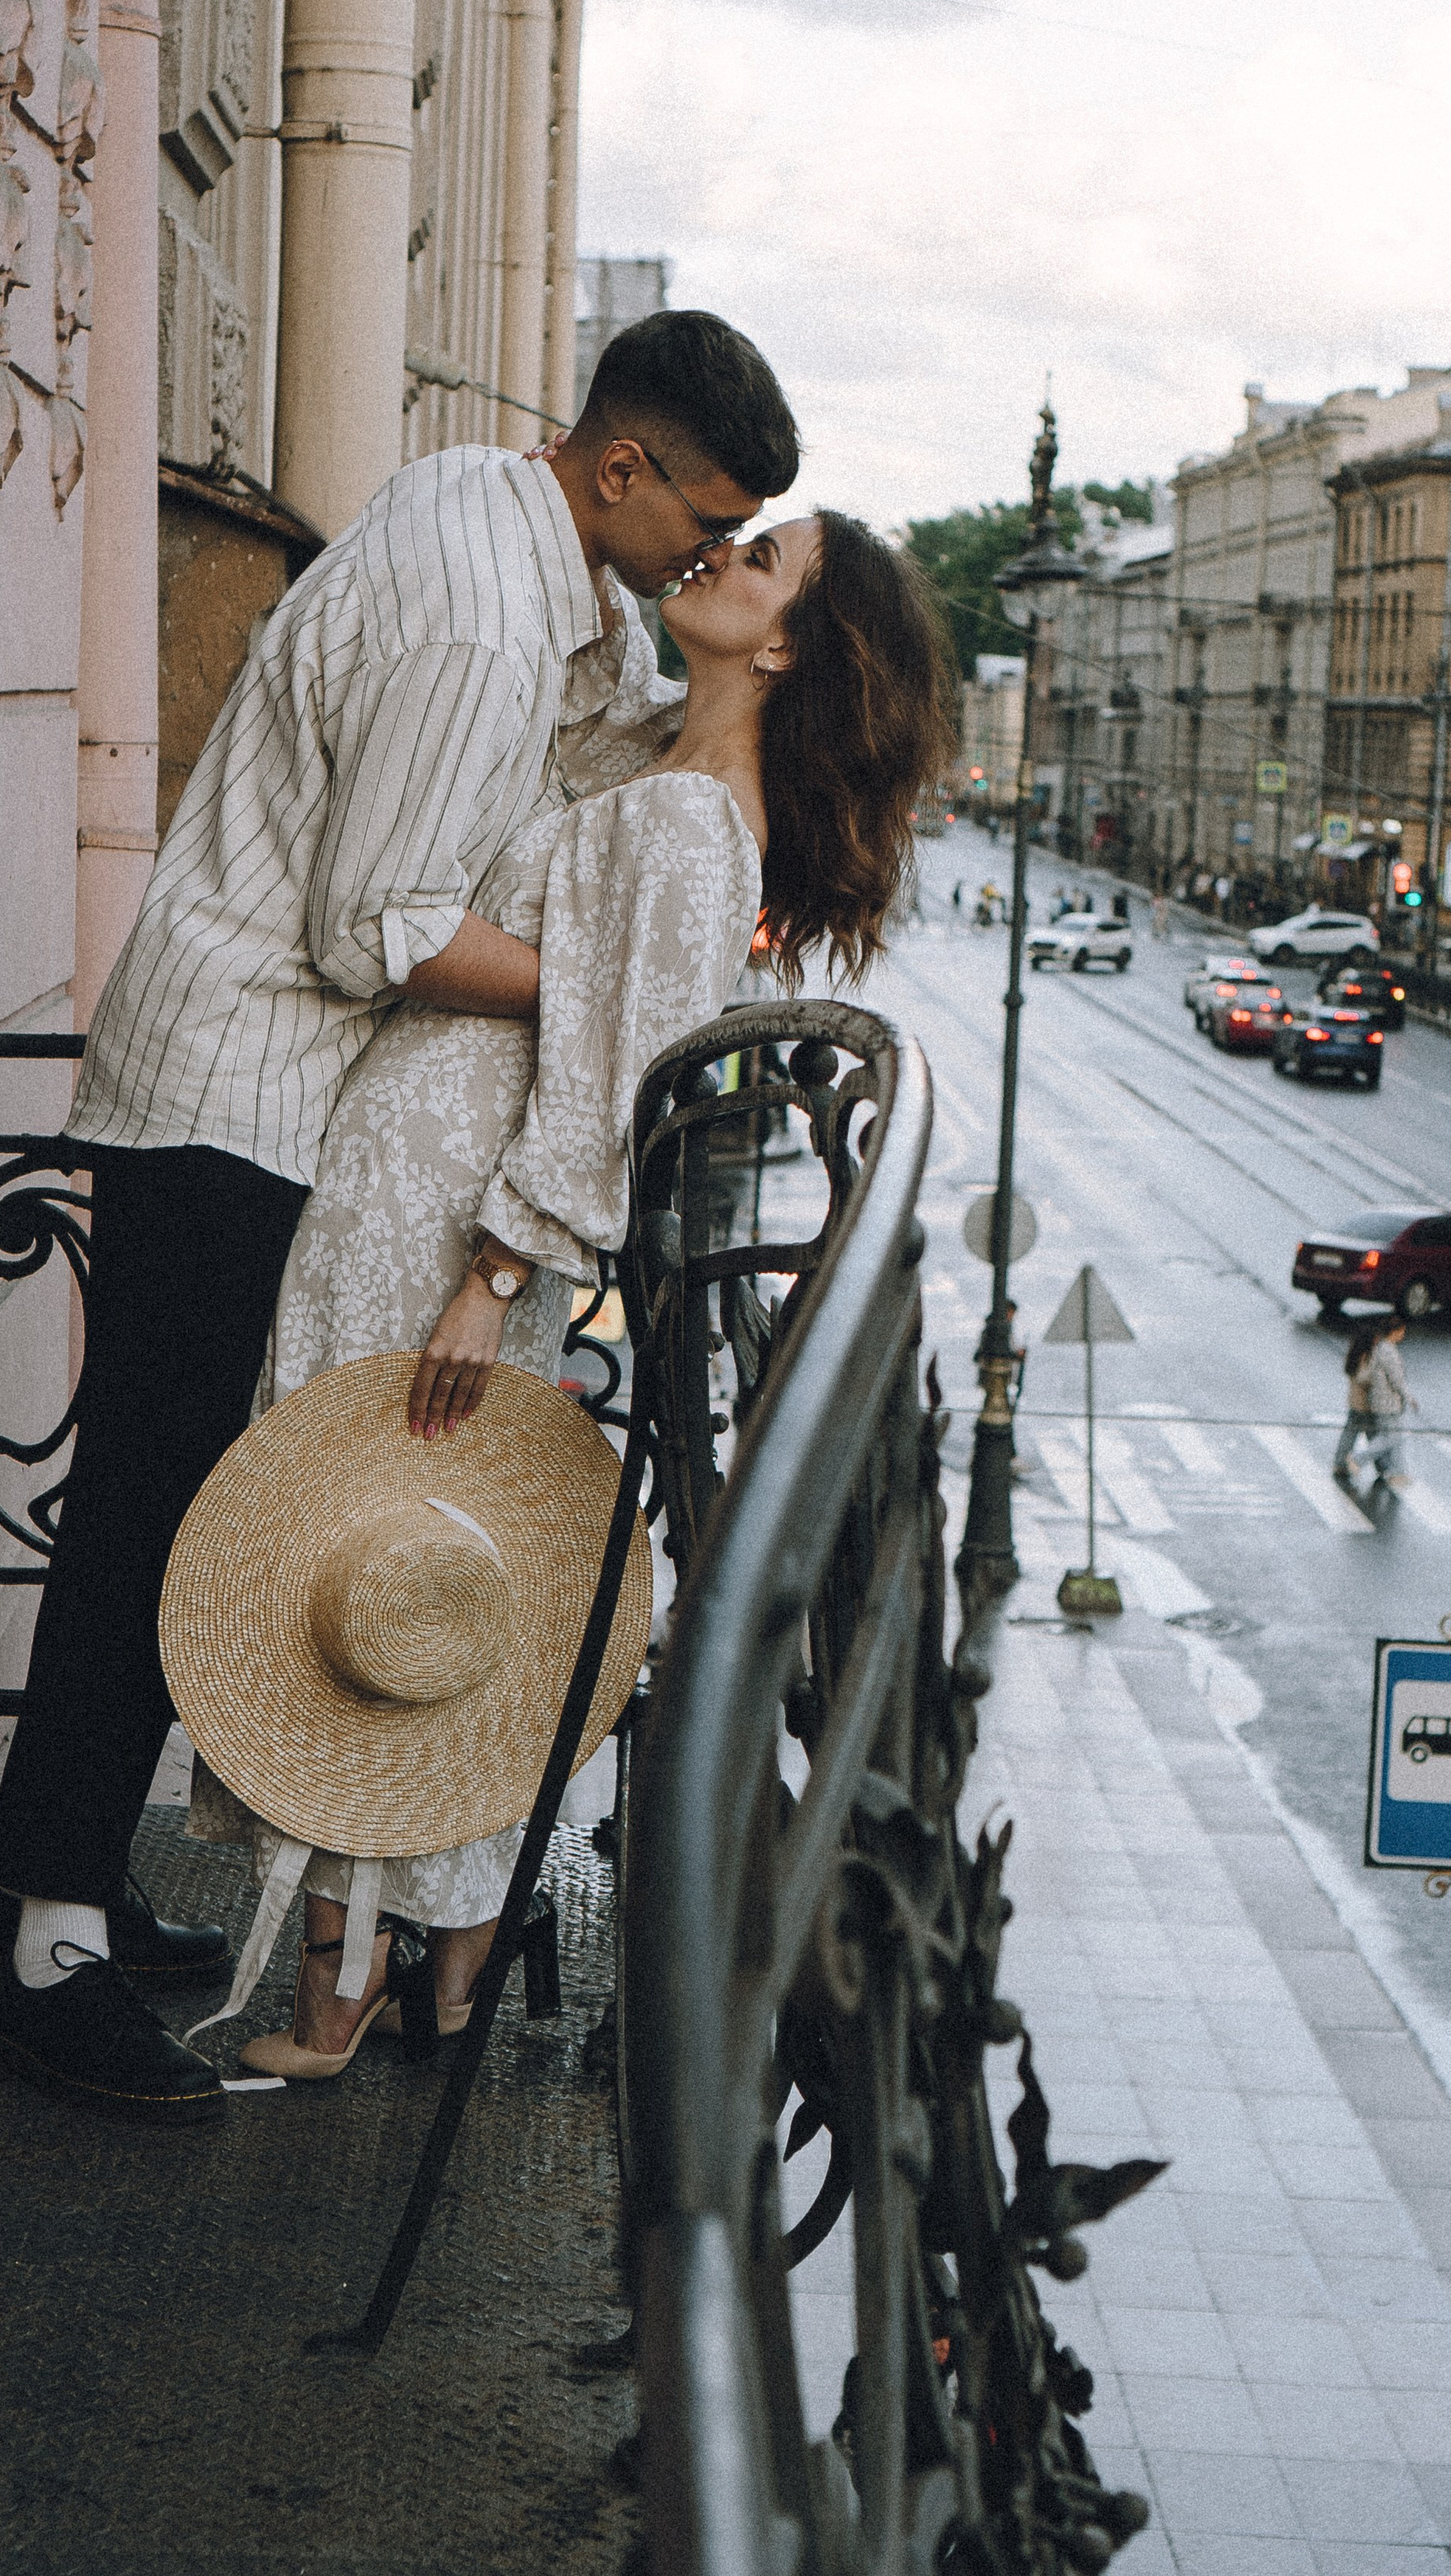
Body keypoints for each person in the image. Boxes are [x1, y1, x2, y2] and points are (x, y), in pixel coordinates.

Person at [0, 308, 804, 2123]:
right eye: (699, 521)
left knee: (160, 1494)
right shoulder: (485, 607)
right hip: (233, 1089)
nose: (700, 561)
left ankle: (51, 1891)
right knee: (152, 1512)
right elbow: (386, 932)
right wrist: (623, 985)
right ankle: (41, 1953)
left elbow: (563, 764)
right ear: (622, 466)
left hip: (261, 1080)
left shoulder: (507, 530)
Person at [190, 512, 955, 2078]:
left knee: (372, 1550)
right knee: (372, 1541)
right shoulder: (656, 769)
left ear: (787, 641)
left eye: (759, 560)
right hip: (412, 1180)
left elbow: (623, 1074)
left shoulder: (687, 822)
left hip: (442, 1212)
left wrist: (493, 1271)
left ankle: (345, 1988)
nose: (719, 557)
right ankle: (434, 1959)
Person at [1364, 1313, 1415, 1490]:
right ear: (1394, 1331)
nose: (1403, 1335)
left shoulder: (1380, 1348)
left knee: (1394, 1438)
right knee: (1390, 1439)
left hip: (1380, 1402)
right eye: (1402, 1331)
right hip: (1387, 1403)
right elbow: (1397, 1380)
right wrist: (1409, 1398)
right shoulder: (1389, 1352)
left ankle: (1398, 1472)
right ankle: (1357, 1458)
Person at [1332, 1327, 1377, 1481]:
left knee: (1350, 1434)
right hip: (1364, 1405)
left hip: (1354, 1402)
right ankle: (1382, 1466)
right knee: (1376, 1436)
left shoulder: (1353, 1356)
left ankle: (1339, 1463)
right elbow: (1364, 1378)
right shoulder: (1365, 1358)